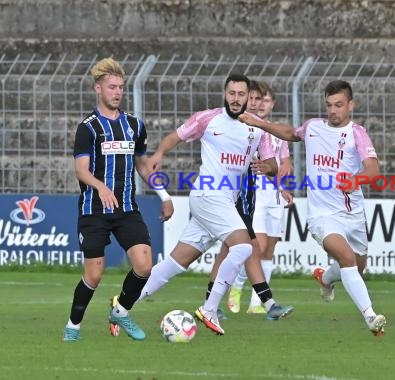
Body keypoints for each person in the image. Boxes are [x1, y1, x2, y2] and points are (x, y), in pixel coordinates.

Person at [136, 74, 282, 335]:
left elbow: (273, 164)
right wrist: (159, 154)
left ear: (249, 97)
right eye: (232, 93)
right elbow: (176, 135)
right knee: (243, 247)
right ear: (225, 94)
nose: (236, 99)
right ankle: (210, 308)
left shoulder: (259, 127)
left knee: (177, 261)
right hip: (208, 195)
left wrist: (267, 166)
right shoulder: (208, 118)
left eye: (241, 94)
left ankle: (123, 304)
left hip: (225, 201)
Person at [239, 80, 387, 336]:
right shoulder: (313, 127)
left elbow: (373, 169)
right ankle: (371, 317)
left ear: (350, 105)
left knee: (356, 269)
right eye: (329, 105)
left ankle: (326, 278)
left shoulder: (357, 133)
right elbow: (290, 133)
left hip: (353, 214)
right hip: (322, 216)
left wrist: (356, 179)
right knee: (347, 259)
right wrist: (262, 124)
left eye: (339, 105)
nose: (333, 110)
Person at [63, 57, 173, 342]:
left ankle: (121, 311)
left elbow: (143, 165)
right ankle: (73, 326)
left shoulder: (135, 126)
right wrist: (100, 186)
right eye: (112, 87)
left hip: (126, 208)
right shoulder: (87, 128)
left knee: (144, 266)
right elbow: (81, 170)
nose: (117, 92)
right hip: (94, 210)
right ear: (98, 88)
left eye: (121, 87)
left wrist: (164, 195)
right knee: (95, 275)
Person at [203, 80, 294, 320]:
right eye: (251, 98)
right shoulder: (234, 124)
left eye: (258, 99)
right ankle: (265, 302)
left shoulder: (261, 128)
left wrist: (275, 176)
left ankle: (217, 301)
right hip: (234, 193)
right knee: (248, 247)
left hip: (249, 194)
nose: (253, 103)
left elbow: (278, 161)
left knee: (236, 248)